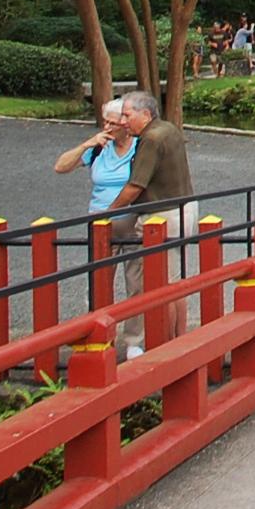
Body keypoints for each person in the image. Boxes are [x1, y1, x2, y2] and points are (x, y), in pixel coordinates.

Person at [105, 89, 196, 358]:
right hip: (184, 207)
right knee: (175, 280)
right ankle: (179, 337)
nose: (123, 121)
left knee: (161, 281)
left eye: (127, 115)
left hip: (163, 214)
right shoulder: (168, 129)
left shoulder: (152, 139)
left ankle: (167, 345)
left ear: (145, 114)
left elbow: (135, 186)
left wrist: (107, 212)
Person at [54, 100, 139, 211]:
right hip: (98, 217)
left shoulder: (141, 146)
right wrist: (86, 145)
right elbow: (60, 167)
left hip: (131, 218)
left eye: (112, 124)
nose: (107, 128)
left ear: (126, 125)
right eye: (105, 122)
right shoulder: (98, 147)